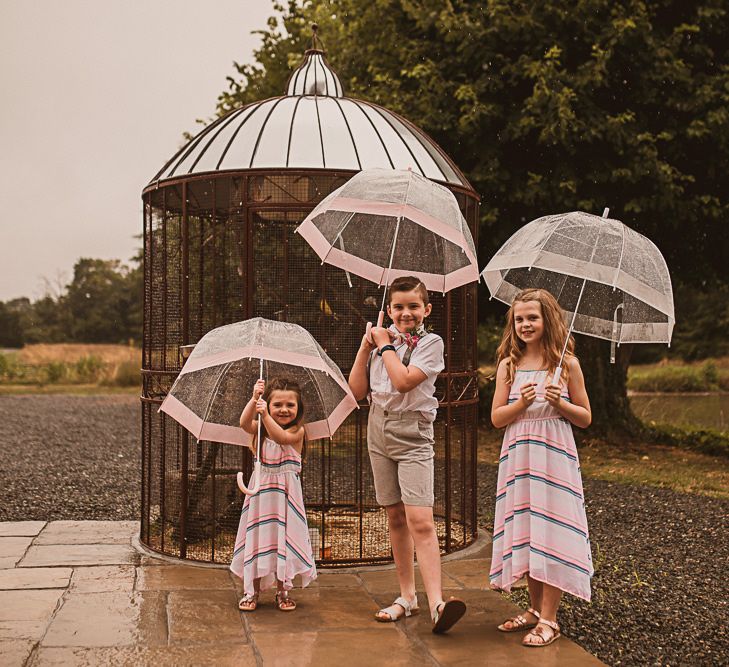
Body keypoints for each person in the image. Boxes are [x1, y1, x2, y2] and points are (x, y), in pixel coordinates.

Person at [349, 275, 466, 634]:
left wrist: (384, 346)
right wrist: (366, 347)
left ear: (426, 309)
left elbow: (402, 382)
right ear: (389, 309)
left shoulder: (431, 343)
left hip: (413, 433)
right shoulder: (383, 341)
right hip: (377, 428)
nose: (405, 313)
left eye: (413, 306)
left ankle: (437, 604)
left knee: (421, 520)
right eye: (398, 307)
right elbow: (356, 391)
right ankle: (407, 597)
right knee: (396, 517)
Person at [489, 288, 593, 647]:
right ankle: (533, 610)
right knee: (530, 529)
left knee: (552, 531)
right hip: (519, 455)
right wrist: (521, 403)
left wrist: (559, 403)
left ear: (547, 320)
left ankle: (550, 618)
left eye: (532, 317)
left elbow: (585, 417)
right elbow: (497, 418)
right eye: (519, 319)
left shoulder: (567, 364)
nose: (525, 324)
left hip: (553, 456)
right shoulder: (508, 365)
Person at [230, 377, 317, 611]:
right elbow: (243, 423)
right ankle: (252, 591)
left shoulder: (298, 431)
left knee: (283, 540)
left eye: (290, 405)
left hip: (285, 496)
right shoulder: (261, 430)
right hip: (261, 494)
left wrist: (266, 414)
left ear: (298, 409)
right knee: (258, 539)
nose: (284, 409)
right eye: (277, 404)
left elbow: (282, 438)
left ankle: (283, 590)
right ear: (268, 404)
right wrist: (254, 399)